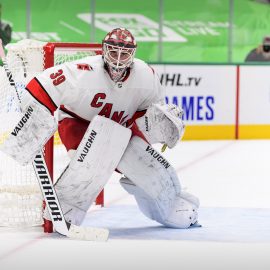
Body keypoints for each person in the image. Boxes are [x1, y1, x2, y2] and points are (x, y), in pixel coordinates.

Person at [2, 28, 199, 233]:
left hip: (122, 129)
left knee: (149, 169)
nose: (118, 59)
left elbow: (150, 112)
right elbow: (40, 87)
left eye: (124, 54)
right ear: (104, 50)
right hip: (79, 125)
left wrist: (157, 123)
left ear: (133, 54)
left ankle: (172, 208)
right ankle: (66, 211)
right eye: (113, 52)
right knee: (93, 162)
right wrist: (34, 118)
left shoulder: (146, 75)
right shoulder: (83, 71)